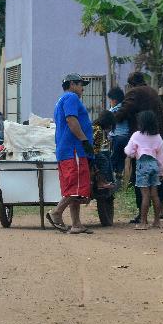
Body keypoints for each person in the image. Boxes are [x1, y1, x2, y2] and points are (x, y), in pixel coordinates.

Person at [115, 72, 163, 223]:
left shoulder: (135, 92)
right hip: (161, 138)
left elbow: (123, 111)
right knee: (158, 177)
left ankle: (142, 215)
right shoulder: (152, 91)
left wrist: (110, 119)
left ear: (131, 84)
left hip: (143, 143)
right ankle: (161, 212)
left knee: (141, 184)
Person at [46, 73, 95, 235]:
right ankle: (57, 213)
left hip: (65, 149)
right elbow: (71, 120)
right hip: (74, 149)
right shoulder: (72, 98)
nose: (82, 88)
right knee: (76, 185)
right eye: (81, 84)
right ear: (72, 84)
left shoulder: (61, 100)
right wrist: (84, 140)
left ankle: (76, 224)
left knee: (74, 186)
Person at [124, 110, 163, 230]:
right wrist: (161, 171)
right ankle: (157, 221)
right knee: (155, 195)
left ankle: (143, 222)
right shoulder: (158, 136)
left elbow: (129, 151)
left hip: (142, 165)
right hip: (154, 165)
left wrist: (133, 153)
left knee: (145, 195)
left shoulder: (137, 135)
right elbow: (161, 157)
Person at [107, 87, 130, 183]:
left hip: (118, 138)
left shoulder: (116, 109)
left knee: (113, 158)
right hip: (126, 137)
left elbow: (108, 117)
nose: (110, 102)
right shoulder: (124, 107)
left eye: (110, 100)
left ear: (114, 100)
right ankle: (119, 177)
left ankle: (109, 178)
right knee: (120, 158)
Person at [92, 110, 116, 190]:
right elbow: (94, 146)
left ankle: (103, 180)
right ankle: (100, 182)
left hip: (91, 152)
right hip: (92, 153)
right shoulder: (99, 131)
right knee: (104, 161)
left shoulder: (95, 126)